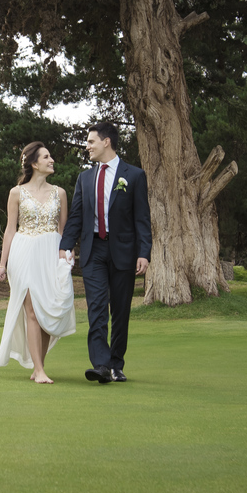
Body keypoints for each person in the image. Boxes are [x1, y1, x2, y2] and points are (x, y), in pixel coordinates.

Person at [59, 122, 152, 384]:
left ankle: (116, 364)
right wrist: (65, 246)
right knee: (97, 307)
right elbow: (76, 216)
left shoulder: (134, 175)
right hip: (93, 251)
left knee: (120, 310)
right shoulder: (85, 178)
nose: (87, 146)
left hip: (124, 251)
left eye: (91, 141)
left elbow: (142, 218)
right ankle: (100, 365)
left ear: (106, 142)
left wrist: (144, 252)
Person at [0, 142, 77, 383]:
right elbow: (10, 230)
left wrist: (67, 254)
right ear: (34, 163)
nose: (52, 160)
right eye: (46, 157)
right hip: (24, 254)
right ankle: (39, 370)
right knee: (32, 311)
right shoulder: (16, 193)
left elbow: (63, 230)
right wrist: (2, 264)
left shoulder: (60, 193)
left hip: (50, 254)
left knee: (48, 310)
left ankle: (39, 365)